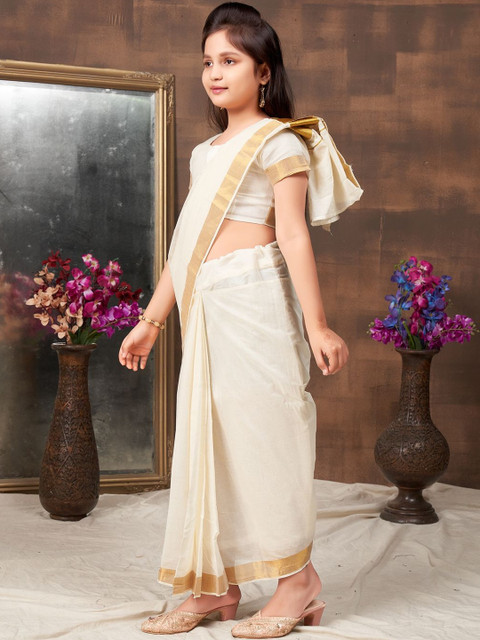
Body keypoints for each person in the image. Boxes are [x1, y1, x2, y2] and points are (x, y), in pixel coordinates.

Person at [119, 2, 362, 637]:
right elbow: (186, 244)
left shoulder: (280, 140)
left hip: (257, 305)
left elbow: (293, 234)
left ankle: (298, 582)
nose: (215, 73)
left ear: (264, 71)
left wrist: (317, 325)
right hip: (207, 308)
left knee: (266, 439)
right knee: (209, 443)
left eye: (230, 60)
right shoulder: (205, 153)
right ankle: (214, 586)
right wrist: (152, 320)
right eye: (208, 62)